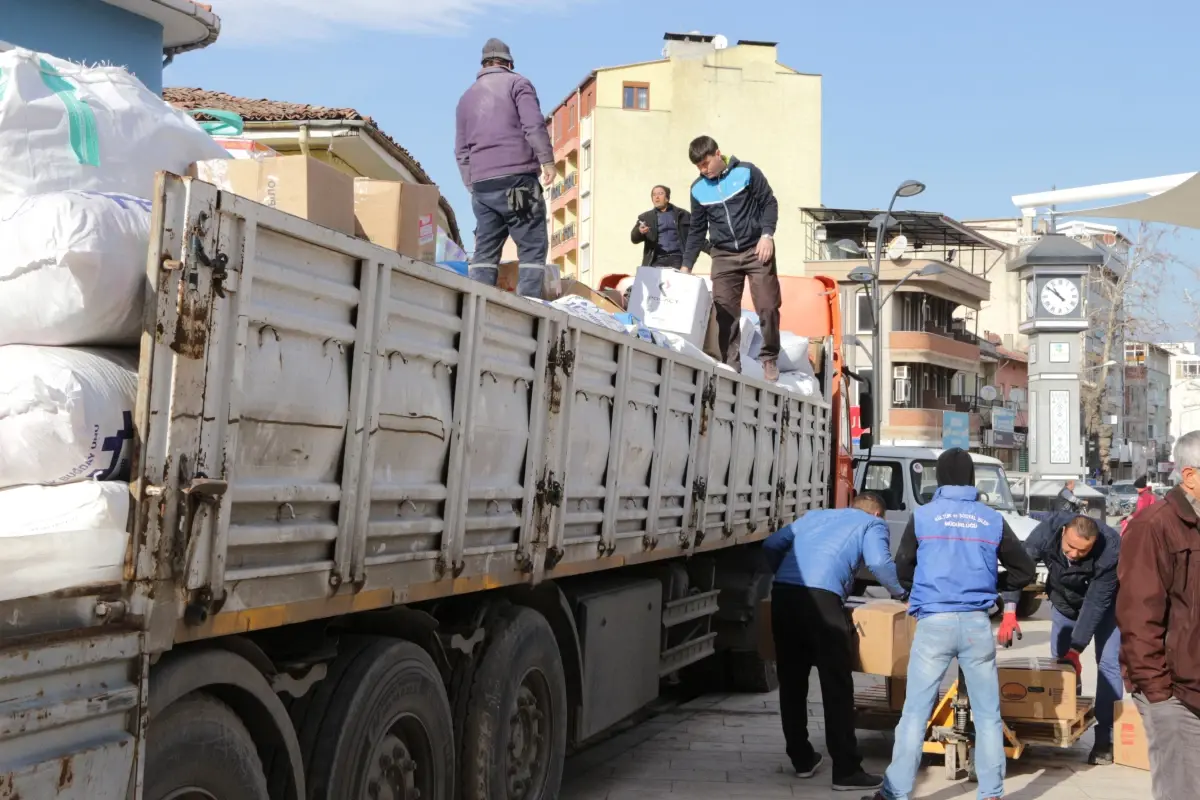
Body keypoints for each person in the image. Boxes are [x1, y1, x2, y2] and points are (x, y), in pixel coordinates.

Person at [865, 448, 1036, 800]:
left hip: (934, 623)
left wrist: (925, 588)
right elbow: (1025, 570)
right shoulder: (991, 519)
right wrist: (994, 589)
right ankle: (990, 793)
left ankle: (895, 792)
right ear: (972, 479)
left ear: (939, 479)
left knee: (915, 712)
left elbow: (903, 569)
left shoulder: (924, 517)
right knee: (988, 714)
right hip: (975, 625)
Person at [762, 492, 905, 793]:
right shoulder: (872, 525)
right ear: (877, 513)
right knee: (836, 682)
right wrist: (901, 592)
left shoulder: (816, 516)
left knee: (792, 679)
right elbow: (879, 563)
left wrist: (787, 575)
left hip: (784, 595)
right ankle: (845, 770)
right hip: (823, 600)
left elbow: (772, 544)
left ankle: (802, 760)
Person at [998, 513, 1121, 765]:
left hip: (1106, 607)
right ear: (1063, 531)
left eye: (1083, 550)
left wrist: (1077, 648)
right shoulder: (1046, 532)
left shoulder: (1111, 547)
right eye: (1070, 547)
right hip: (1064, 601)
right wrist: (1010, 610)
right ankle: (1065, 720)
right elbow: (1019, 565)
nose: (1074, 554)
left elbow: (1096, 602)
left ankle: (1105, 739)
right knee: (1062, 668)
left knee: (1109, 665)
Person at [1117, 430, 1200, 800]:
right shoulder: (1153, 526)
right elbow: (1138, 616)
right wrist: (1158, 693)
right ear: (1190, 477)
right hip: (1175, 692)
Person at [455, 38, 554, 299]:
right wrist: (547, 161)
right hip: (518, 181)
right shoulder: (518, 83)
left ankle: (478, 303)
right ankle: (529, 306)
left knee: (485, 251)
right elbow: (533, 125)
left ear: (484, 64)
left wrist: (472, 184)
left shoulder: (466, 97)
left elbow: (461, 150)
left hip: (483, 185)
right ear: (509, 63)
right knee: (532, 246)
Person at [681, 135, 782, 381]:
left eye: (705, 164)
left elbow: (769, 203)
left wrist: (766, 235)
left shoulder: (747, 172)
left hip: (756, 248)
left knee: (767, 305)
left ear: (718, 154)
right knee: (724, 310)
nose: (703, 170)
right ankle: (730, 365)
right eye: (698, 167)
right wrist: (686, 266)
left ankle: (769, 357)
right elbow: (696, 230)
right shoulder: (698, 189)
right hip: (724, 254)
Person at [631, 185, 699, 268]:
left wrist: (712, 250)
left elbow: (696, 235)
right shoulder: (645, 217)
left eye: (660, 193)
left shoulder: (682, 214)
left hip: (678, 258)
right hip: (656, 259)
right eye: (654, 194)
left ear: (667, 197)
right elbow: (634, 239)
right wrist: (639, 231)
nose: (657, 197)